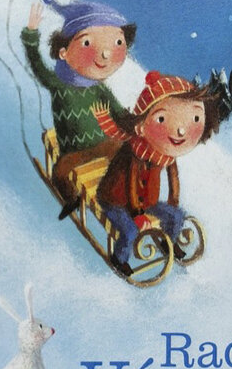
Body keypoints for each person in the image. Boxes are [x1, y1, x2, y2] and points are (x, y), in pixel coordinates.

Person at [92, 72, 220, 277]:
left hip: (147, 202)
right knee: (130, 231)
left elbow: (173, 179)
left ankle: (167, 242)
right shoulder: (135, 150)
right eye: (161, 119)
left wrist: (173, 203)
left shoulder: (165, 153)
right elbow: (131, 183)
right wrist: (137, 214)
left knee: (177, 216)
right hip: (116, 201)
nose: (180, 131)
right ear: (141, 126)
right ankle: (119, 259)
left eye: (195, 118)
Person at [23, 0, 135, 218]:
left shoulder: (99, 89)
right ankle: (71, 200)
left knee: (127, 152)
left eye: (117, 43)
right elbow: (37, 66)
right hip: (75, 152)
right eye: (87, 43)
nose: (105, 54)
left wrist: (137, 123)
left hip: (103, 145)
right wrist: (31, 35)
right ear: (63, 52)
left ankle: (128, 196)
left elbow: (119, 113)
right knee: (60, 173)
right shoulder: (58, 84)